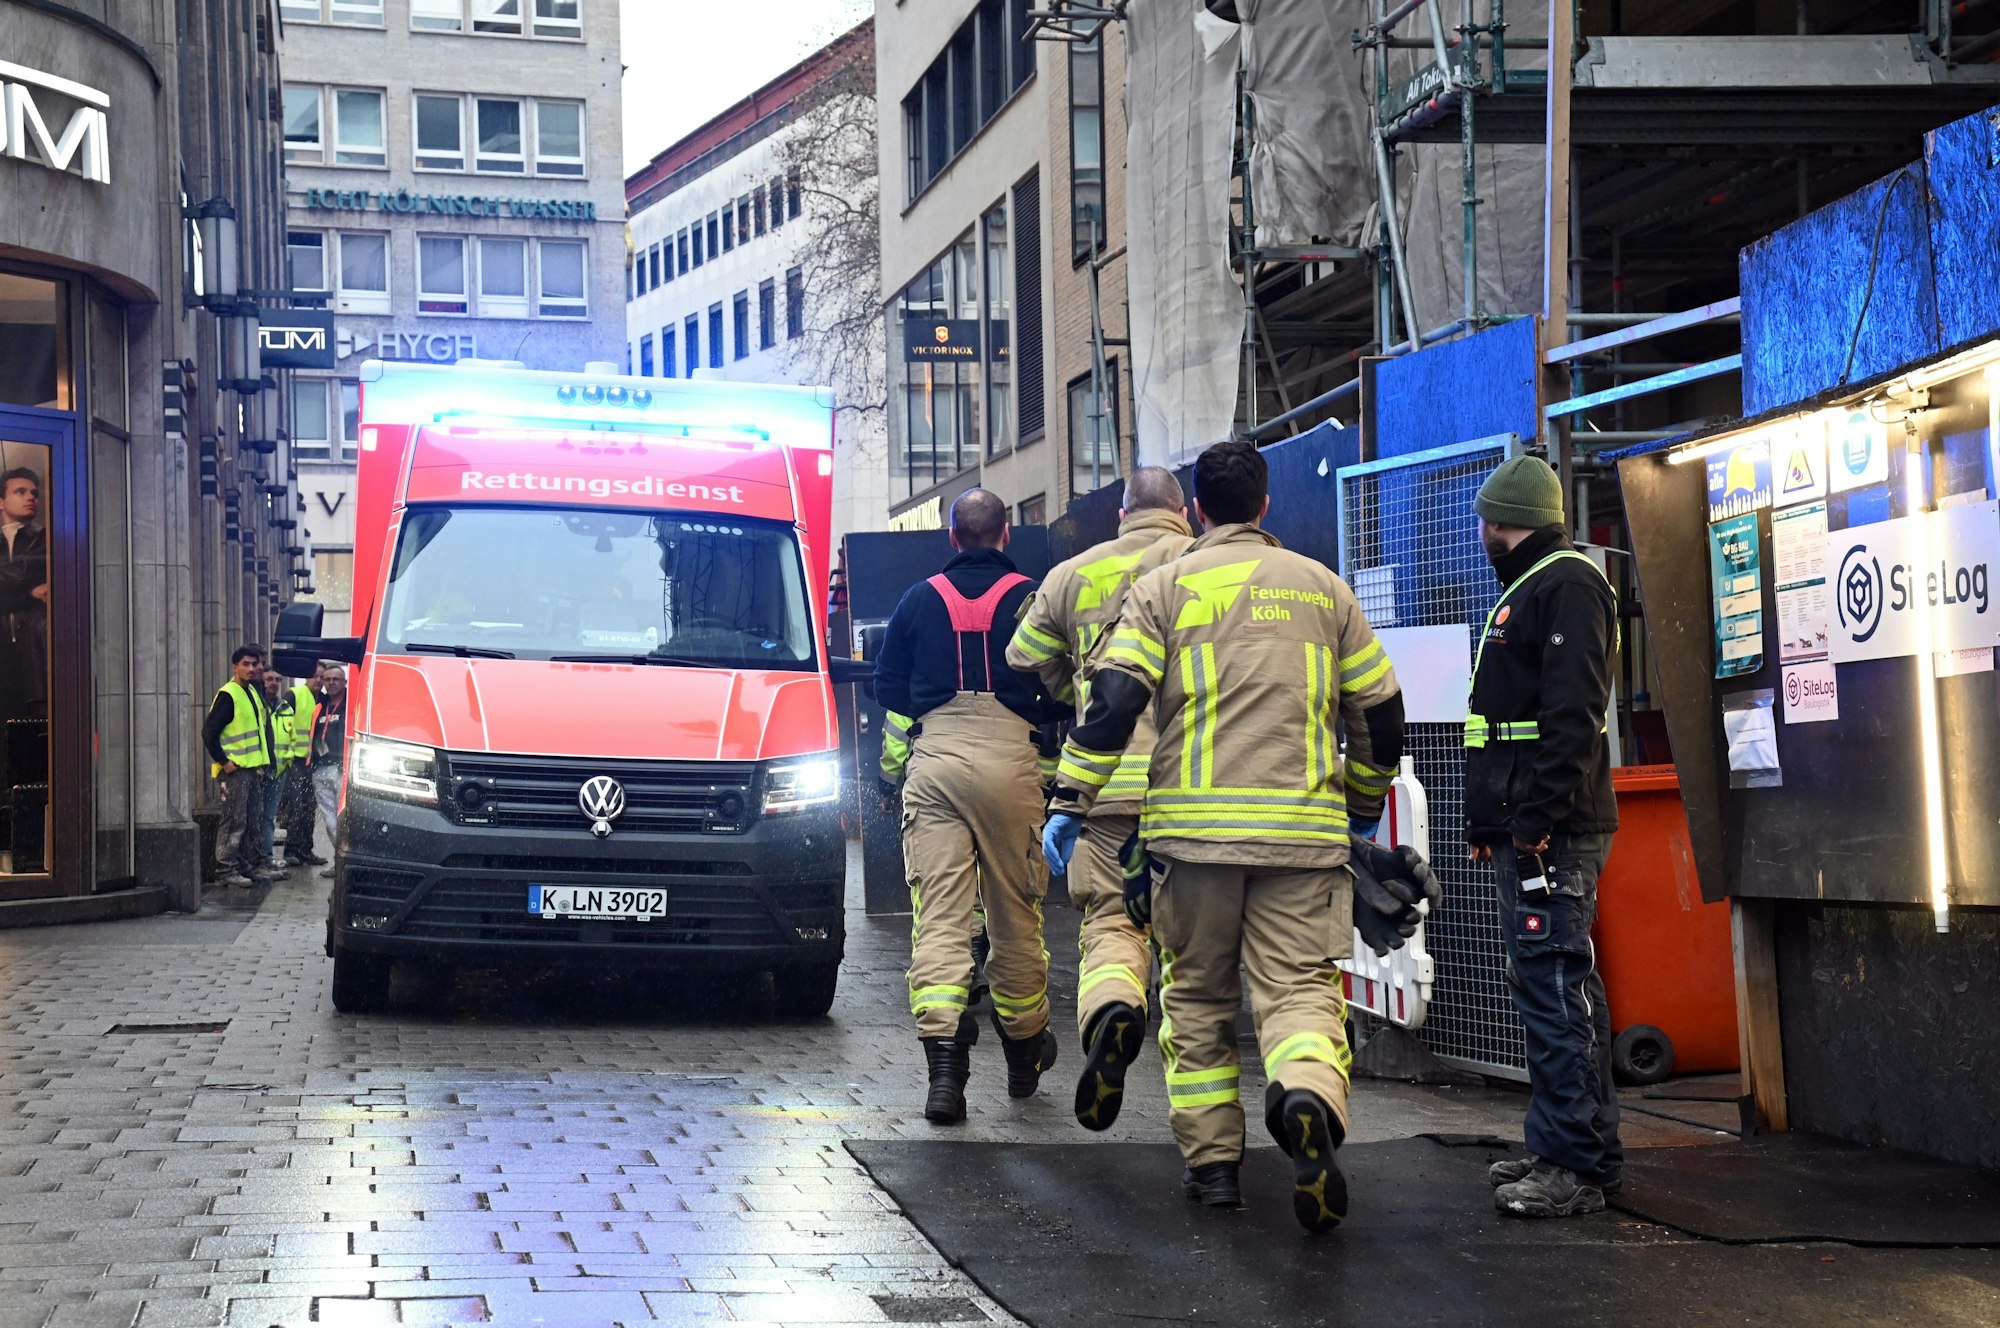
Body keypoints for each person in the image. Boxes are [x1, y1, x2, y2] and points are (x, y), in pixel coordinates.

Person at [1043, 440, 1405, 1233]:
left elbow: (1112, 702)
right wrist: (1363, 808)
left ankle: (1213, 1170)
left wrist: (1071, 799)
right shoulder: (1324, 590)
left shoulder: (1165, 589)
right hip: (1303, 842)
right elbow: (1380, 713)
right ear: (1265, 505)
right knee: (1299, 992)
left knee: (1198, 1000)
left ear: (1199, 510)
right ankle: (1306, 1095)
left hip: (1192, 844)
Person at [1005, 465, 1194, 1131]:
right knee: (1193, 953)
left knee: (1113, 926)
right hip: (1193, 788)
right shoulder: (1204, 561)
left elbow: (1023, 655)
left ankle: (1113, 1010)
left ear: (1121, 514)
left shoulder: (1071, 574)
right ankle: (1205, 1128)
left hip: (1106, 787)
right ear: (1185, 512)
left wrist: (1076, 690)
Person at [1464, 455, 1624, 1219]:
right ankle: (1573, 1147)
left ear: (1510, 521)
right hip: (1536, 830)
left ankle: (1571, 1165)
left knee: (1555, 988)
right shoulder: (1541, 586)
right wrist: (1493, 824)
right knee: (1559, 986)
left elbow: (1571, 719)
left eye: (1490, 520)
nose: (1484, 532)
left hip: (1551, 836)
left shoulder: (1565, 586)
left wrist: (1530, 825)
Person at [873, 489, 1063, 1125]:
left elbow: (888, 688)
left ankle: (945, 1080)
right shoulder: (1032, 597)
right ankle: (1023, 1053)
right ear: (1005, 534)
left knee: (942, 920)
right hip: (1013, 762)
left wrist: (903, 756)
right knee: (1016, 916)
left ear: (952, 537)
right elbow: (1060, 687)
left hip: (937, 765)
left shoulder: (917, 599)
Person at [203, 645, 279, 887]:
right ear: (235, 666)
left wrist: (258, 764)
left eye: (254, 664)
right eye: (245, 664)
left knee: (250, 820)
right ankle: (226, 870)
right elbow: (209, 732)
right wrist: (223, 761)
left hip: (249, 769)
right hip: (233, 771)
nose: (251, 668)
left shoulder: (251, 692)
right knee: (234, 821)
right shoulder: (230, 694)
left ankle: (248, 865)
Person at [0, 467, 49, 725]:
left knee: (32, 730)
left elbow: (17, 575)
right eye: (20, 491)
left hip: (31, 648)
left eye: (34, 492)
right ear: (1, 501)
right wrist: (30, 592)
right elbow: (20, 576)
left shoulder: (44, 538)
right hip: (3, 650)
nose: (31, 497)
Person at [275, 671, 324, 869]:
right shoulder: (294, 695)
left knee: (309, 807)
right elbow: (281, 727)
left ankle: (305, 850)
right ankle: (291, 850)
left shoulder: (322, 699)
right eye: (315, 676)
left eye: (322, 677)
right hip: (295, 761)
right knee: (295, 806)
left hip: (312, 762)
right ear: (306, 677)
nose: (318, 680)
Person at [309, 663, 347, 880]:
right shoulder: (319, 705)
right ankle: (338, 862)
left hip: (342, 769)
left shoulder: (351, 704)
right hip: (320, 769)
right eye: (327, 679)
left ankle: (348, 862)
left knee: (345, 819)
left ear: (344, 682)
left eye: (336, 679)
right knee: (330, 820)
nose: (331, 683)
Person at [257, 668, 290, 877]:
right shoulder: (257, 705)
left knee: (269, 817)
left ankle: (266, 858)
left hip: (278, 771)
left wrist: (288, 761)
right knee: (252, 818)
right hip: (257, 770)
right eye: (269, 679)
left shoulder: (285, 707)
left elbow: (291, 737)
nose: (274, 683)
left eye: (278, 679)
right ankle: (256, 859)